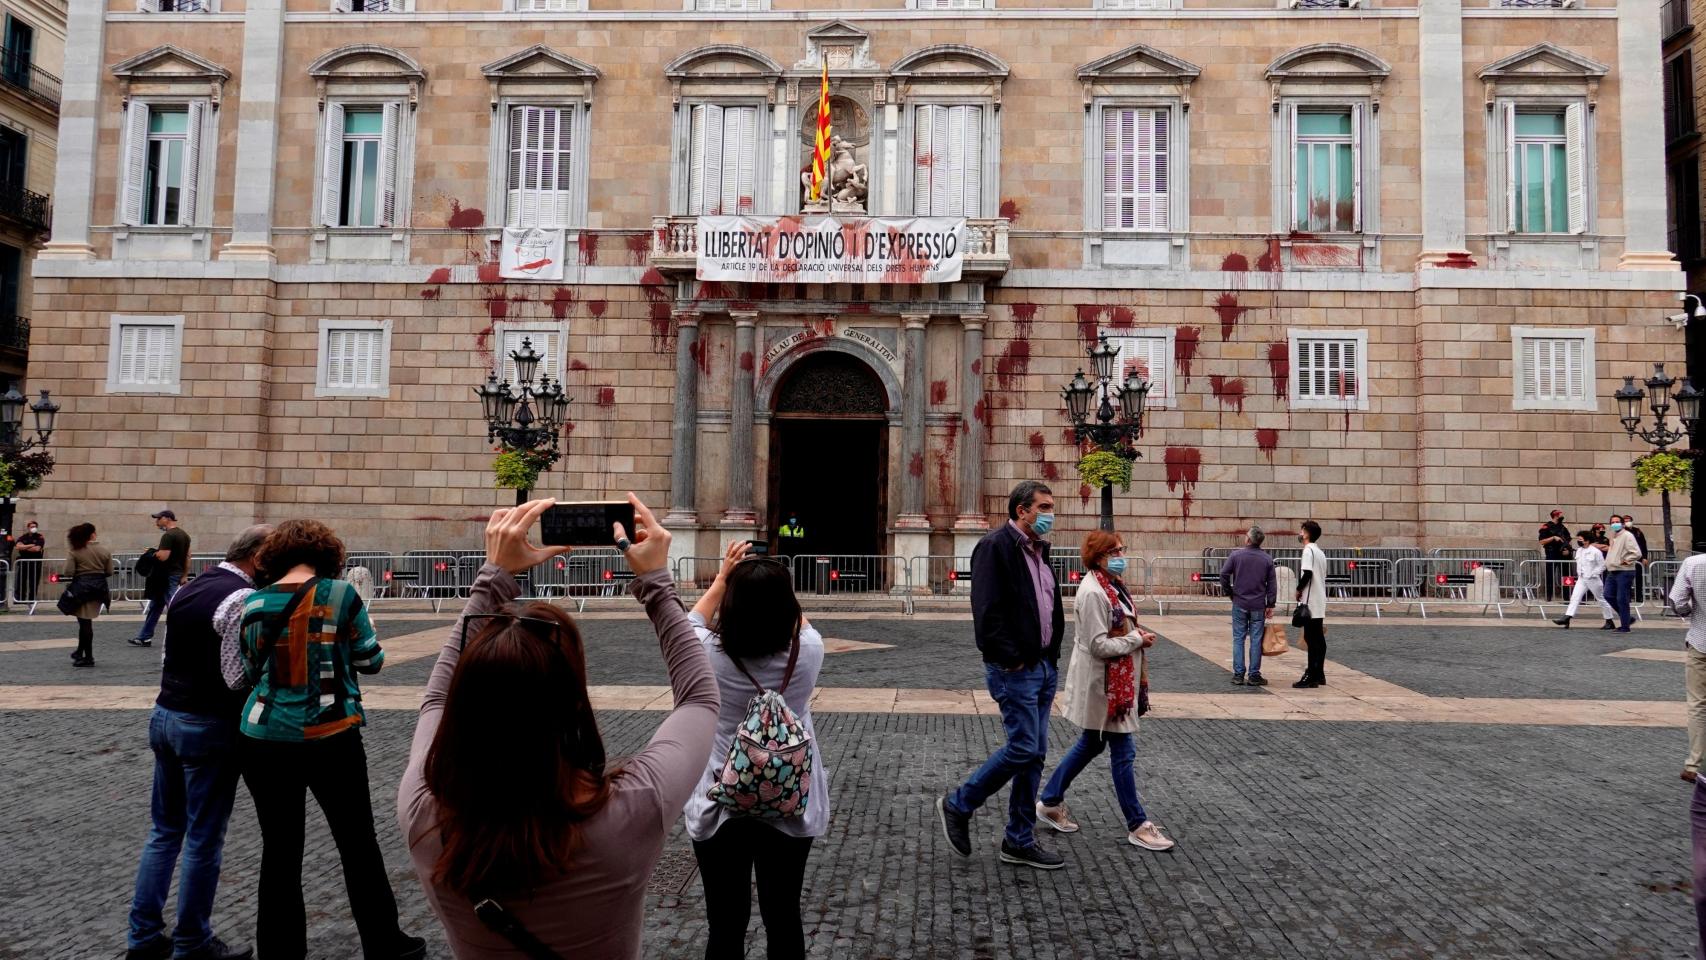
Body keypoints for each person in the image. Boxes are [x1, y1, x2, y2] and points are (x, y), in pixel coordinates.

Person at [400, 495, 719, 958]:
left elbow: (436, 698)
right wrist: (654, 582)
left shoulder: (423, 811)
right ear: (573, 700)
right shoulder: (632, 809)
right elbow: (701, 698)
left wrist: (493, 579)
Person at [237, 520, 425, 960]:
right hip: (330, 733)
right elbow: (370, 660)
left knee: (280, 851)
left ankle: (280, 952)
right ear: (328, 554)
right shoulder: (341, 595)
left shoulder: (254, 601)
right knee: (357, 842)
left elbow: (250, 671)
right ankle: (384, 943)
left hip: (263, 737)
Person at [124, 526, 271, 960]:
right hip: (207, 724)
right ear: (259, 558)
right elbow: (234, 676)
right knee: (204, 839)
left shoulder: (190, 588)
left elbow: (168, 653)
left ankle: (143, 938)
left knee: (164, 832)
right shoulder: (241, 599)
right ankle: (192, 942)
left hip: (165, 714)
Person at [685, 538, 829, 960]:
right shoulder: (809, 651)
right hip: (791, 802)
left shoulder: (705, 653)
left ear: (731, 605)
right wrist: (778, 589)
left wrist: (725, 576)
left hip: (721, 801)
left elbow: (692, 617)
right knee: (784, 918)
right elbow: (799, 621)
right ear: (786, 605)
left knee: (725, 925)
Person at [938, 480, 1066, 870]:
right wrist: (1011, 658)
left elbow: (1047, 606)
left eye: (1051, 507)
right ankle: (959, 803)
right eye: (1043, 507)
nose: (1049, 514)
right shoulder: (995, 547)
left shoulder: (1039, 551)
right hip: (1017, 669)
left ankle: (1018, 839)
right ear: (1021, 510)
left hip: (1042, 667)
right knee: (1025, 748)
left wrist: (1050, 657)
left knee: (1035, 755)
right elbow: (987, 612)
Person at [1037, 530, 1175, 852]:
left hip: (1112, 684)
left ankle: (1049, 800)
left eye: (1122, 549)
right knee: (1122, 753)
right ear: (1099, 557)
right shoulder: (1093, 593)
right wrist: (1136, 640)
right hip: (1107, 688)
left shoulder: (1111, 586)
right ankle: (1137, 824)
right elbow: (1098, 645)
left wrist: (1134, 635)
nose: (1121, 555)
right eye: (1115, 550)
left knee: (1090, 745)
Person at [1218, 526, 1276, 686]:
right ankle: (1254, 674)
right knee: (1256, 639)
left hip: (1239, 601)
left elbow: (1223, 574)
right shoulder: (1266, 559)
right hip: (1258, 603)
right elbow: (1271, 583)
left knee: (1238, 638)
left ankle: (1238, 674)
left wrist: (1229, 591)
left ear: (1248, 539)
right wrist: (1271, 603)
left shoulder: (1236, 555)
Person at [1670, 554, 1706, 784]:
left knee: (1698, 704)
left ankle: (1693, 764)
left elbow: (1678, 602)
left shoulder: (1694, 563)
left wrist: (1691, 611)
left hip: (1701, 641)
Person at [131, 509, 191, 648]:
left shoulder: (168, 536)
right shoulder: (184, 535)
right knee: (155, 606)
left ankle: (185, 636)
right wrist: (184, 575)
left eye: (158, 519)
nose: (156, 522)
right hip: (175, 574)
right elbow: (188, 556)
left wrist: (150, 553)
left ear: (167, 519)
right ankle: (144, 637)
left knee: (174, 607)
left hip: (166, 576)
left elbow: (163, 556)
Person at [62, 522, 114, 667]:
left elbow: (68, 572)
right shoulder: (104, 551)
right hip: (99, 589)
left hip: (81, 589)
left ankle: (88, 657)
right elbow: (109, 572)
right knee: (85, 622)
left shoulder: (75, 551)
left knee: (85, 623)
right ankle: (80, 652)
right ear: (92, 535)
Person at [1553, 530, 1616, 630]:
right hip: (1582, 579)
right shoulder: (1579, 550)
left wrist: (1593, 573)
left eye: (1580, 539)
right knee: (1575, 597)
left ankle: (1609, 620)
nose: (1579, 541)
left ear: (1587, 541)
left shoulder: (1596, 552)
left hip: (1593, 579)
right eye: (1578, 539)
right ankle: (1567, 617)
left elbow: (1602, 565)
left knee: (1601, 599)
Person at [1293, 520, 1328, 688]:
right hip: (1319, 599)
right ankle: (1319, 673)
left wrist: (1299, 589)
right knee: (1318, 639)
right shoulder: (1320, 552)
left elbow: (1307, 573)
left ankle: (1312, 675)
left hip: (1311, 600)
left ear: (1306, 533)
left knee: (1311, 638)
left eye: (1302, 530)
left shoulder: (1308, 550)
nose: (1300, 533)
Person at [1605, 517, 1643, 633]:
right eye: (1612, 522)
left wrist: (1625, 561)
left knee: (1622, 598)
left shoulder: (1627, 535)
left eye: (1617, 522)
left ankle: (1625, 626)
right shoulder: (1613, 536)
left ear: (1622, 524)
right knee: (1608, 595)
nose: (1615, 524)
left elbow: (1636, 553)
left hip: (1624, 571)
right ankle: (1627, 618)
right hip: (1613, 570)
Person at [1538, 509, 1572, 603]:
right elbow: (1541, 541)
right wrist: (1553, 538)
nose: (1562, 516)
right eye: (1560, 515)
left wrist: (1567, 550)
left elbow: (1568, 539)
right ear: (1555, 515)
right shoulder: (1546, 527)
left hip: (1563, 554)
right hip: (1552, 553)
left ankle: (1567, 596)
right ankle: (1549, 596)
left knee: (1566, 576)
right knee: (1550, 575)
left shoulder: (1562, 527)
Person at [13, 518, 44, 602]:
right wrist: (30, 545)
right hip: (23, 562)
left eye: (35, 526)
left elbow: (37, 549)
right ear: (28, 528)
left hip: (35, 563)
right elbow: (18, 546)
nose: (34, 528)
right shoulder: (23, 537)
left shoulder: (39, 537)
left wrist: (24, 547)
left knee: (33, 582)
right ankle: (19, 600)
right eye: (32, 526)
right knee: (21, 581)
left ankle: (31, 600)